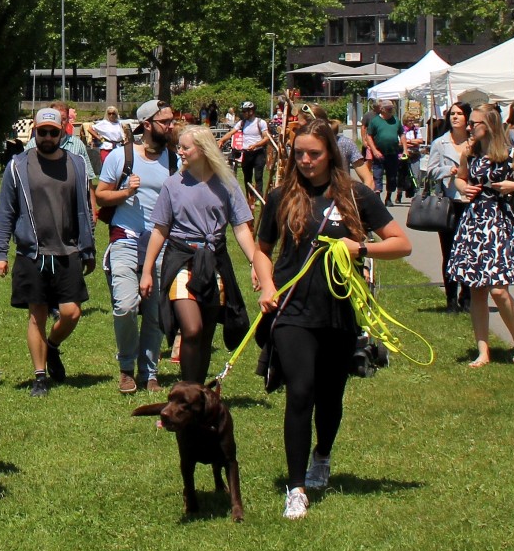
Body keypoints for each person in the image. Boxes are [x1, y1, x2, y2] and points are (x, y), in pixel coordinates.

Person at [250, 118, 409, 519]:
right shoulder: (280, 196)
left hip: (338, 311)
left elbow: (401, 243)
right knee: (300, 392)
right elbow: (262, 249)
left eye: (314, 154)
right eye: (299, 153)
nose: (305, 161)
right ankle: (296, 486)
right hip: (291, 310)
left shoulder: (355, 196)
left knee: (330, 397)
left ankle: (322, 454)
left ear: (331, 154)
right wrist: (267, 286)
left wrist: (361, 250)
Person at [0, 107, 97, 398]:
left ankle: (51, 347)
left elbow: (84, 209)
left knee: (72, 312)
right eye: (43, 132)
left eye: (54, 132)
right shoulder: (18, 166)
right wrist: (1, 252)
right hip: (32, 252)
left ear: (63, 132)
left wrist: (88, 248)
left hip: (68, 250)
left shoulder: (76, 163)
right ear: (34, 132)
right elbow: (6, 213)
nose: (48, 137)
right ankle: (40, 376)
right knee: (37, 314)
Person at [141, 125, 258, 386]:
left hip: (214, 261)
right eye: (179, 147)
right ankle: (189, 389)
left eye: (185, 147)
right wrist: (148, 270)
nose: (179, 152)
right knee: (191, 329)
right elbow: (160, 229)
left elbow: (241, 228)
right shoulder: (173, 185)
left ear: (203, 150)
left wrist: (255, 263)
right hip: (182, 259)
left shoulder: (226, 184)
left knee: (204, 334)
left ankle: (195, 392)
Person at [94, 99, 177, 393]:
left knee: (155, 313)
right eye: (165, 121)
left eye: (171, 120)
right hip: (125, 238)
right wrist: (126, 191)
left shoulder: (174, 159)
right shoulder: (120, 157)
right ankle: (126, 367)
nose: (170, 126)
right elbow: (101, 197)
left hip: (161, 244)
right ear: (147, 124)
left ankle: (150, 373)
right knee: (126, 306)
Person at [446, 104, 514, 367]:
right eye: (471, 122)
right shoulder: (470, 153)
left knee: (498, 289)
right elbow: (460, 179)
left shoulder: (510, 154)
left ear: (491, 125)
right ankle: (482, 350)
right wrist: (465, 188)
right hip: (474, 221)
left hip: (497, 220)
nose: (470, 126)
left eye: (475, 123)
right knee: (476, 289)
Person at [421, 102, 475, 311]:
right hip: (449, 203)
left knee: (470, 251)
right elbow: (430, 171)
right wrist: (447, 170)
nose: (455, 117)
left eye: (460, 114)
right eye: (452, 114)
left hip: (470, 202)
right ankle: (451, 297)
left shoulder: (475, 143)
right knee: (450, 252)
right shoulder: (440, 143)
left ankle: (468, 295)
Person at [363, 99, 406, 205]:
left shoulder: (396, 120)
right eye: (388, 109)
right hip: (379, 153)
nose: (391, 110)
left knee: (392, 176)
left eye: (391, 108)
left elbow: (402, 134)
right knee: (377, 175)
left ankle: (388, 197)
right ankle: (377, 196)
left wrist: (405, 149)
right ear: (382, 109)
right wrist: (374, 150)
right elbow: (369, 136)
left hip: (392, 153)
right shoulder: (375, 121)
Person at [232, 101, 271, 197]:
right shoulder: (242, 122)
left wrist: (255, 145)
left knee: (258, 176)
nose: (243, 113)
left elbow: (266, 138)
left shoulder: (260, 122)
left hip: (258, 152)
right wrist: (221, 140)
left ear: (251, 111)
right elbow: (232, 132)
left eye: (245, 111)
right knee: (247, 177)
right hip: (247, 153)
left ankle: (259, 196)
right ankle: (249, 196)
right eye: (243, 111)